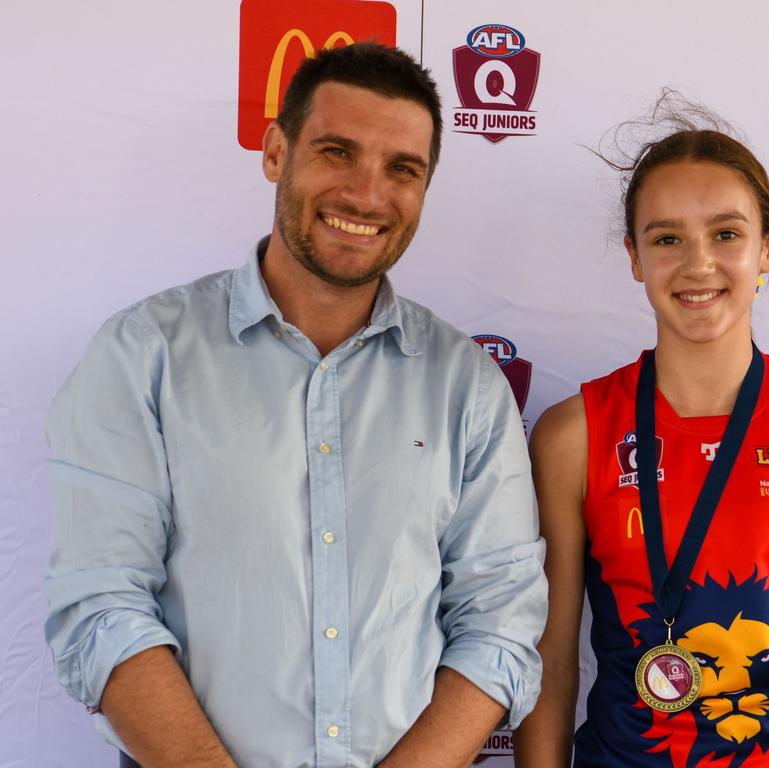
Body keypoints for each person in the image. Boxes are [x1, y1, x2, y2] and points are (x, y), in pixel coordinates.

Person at [44, 43, 546, 768]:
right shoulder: (142, 356)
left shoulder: (467, 386)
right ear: (276, 151)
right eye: (338, 152)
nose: (368, 195)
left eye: (402, 169)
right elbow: (101, 608)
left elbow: (500, 627)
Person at [514, 112, 769, 766]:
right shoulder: (575, 435)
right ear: (635, 258)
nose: (698, 264)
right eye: (667, 238)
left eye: (726, 233)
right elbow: (552, 664)